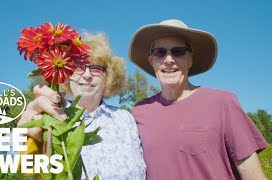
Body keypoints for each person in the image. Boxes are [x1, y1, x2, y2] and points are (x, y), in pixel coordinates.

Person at [129, 19, 269, 180]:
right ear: (151, 61)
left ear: (190, 59)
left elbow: (253, 176)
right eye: (160, 52)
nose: (169, 60)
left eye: (178, 51)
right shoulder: (138, 112)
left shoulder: (223, 103)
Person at [18, 32, 146, 179]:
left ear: (108, 77)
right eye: (78, 66)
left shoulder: (125, 119)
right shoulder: (51, 117)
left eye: (96, 68)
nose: (87, 75)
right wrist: (25, 137)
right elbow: (19, 166)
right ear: (66, 73)